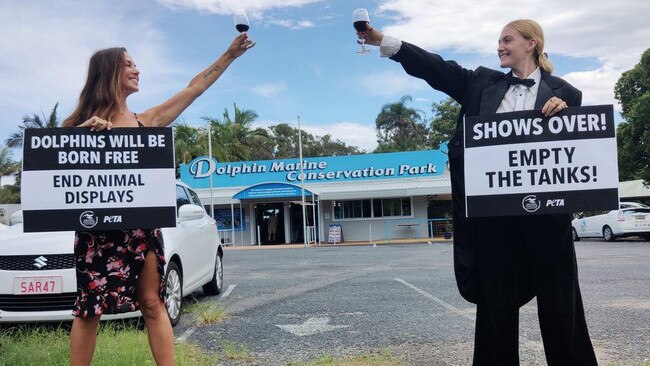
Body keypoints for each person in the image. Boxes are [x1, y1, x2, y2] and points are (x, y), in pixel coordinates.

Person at [359, 19, 598, 365]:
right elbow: (435, 68)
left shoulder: (566, 92)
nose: (499, 47)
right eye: (498, 41)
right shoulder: (481, 82)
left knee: (562, 307)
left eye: (507, 40)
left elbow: (577, 151)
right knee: (495, 309)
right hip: (494, 220)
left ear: (531, 44)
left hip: (548, 220)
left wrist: (566, 113)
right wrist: (383, 41)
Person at [63, 33, 254, 366]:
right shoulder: (78, 125)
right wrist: (81, 137)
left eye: (136, 64)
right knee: (89, 307)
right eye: (128, 65)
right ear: (108, 73)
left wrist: (230, 55)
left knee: (153, 303)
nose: (137, 70)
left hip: (142, 231)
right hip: (95, 231)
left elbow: (194, 88)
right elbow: (56, 176)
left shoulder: (145, 122)